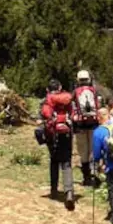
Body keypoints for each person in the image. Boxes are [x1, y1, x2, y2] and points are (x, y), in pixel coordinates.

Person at [39, 79, 76, 211]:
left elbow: (43, 115)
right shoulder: (67, 99)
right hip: (66, 133)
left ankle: (54, 190)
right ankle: (69, 192)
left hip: (52, 134)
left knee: (54, 161)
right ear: (60, 88)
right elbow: (73, 114)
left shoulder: (46, 100)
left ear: (47, 90)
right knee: (66, 163)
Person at [72, 70, 101, 187]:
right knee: (93, 149)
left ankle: (86, 178)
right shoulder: (94, 91)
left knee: (83, 151)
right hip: (94, 123)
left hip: (80, 124)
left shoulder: (75, 92)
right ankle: (94, 172)